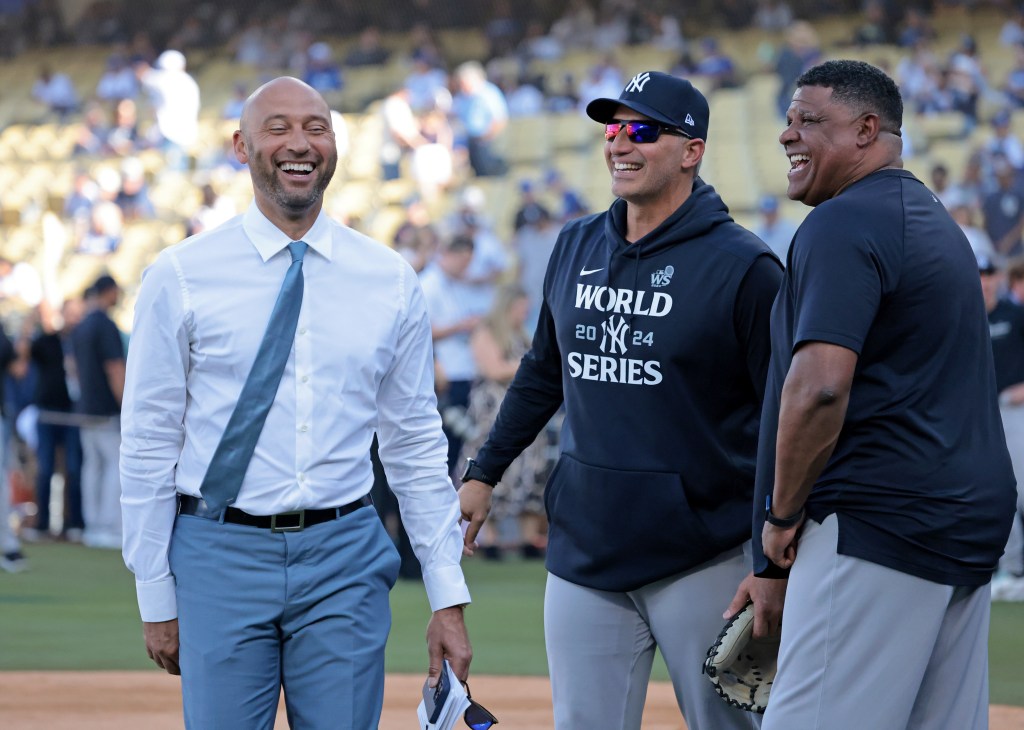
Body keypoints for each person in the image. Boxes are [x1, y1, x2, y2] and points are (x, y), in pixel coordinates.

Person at [120, 76, 471, 729]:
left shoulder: (389, 279)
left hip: (345, 554)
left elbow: (416, 446)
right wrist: (153, 590)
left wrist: (447, 593)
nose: (299, 143)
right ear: (241, 145)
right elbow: (148, 441)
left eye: (316, 126)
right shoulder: (180, 275)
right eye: (277, 127)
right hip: (217, 552)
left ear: (334, 143)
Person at [460, 71, 783, 730]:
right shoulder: (576, 244)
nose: (620, 145)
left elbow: (784, 420)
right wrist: (484, 471)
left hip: (704, 554)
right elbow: (542, 371)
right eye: (612, 129)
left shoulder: (746, 267)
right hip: (586, 549)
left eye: (642, 130)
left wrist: (769, 558)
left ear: (691, 150)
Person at [754, 60, 1016, 730]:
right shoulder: (935, 221)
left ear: (867, 129)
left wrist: (780, 521)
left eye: (808, 119)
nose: (788, 135)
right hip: (960, 523)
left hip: (880, 521)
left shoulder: (842, 224)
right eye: (788, 119)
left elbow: (818, 390)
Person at [456, 284, 553, 560]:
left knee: (532, 473)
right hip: (493, 412)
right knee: (493, 470)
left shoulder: (522, 334)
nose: (525, 313)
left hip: (526, 413)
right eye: (521, 307)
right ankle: (488, 538)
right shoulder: (486, 332)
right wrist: (533, 363)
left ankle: (528, 538)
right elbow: (495, 369)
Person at [979, 254, 1024, 601]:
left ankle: (1016, 569)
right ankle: (1008, 567)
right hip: (977, 413)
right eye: (979, 274)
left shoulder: (1015, 314)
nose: (985, 281)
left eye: (989, 273)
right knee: (993, 489)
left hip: (1013, 408)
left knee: (1020, 487)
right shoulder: (965, 316)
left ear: (999, 278)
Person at [72, 275, 125, 549]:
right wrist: (126, 404)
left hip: (85, 408)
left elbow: (73, 367)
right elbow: (115, 368)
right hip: (105, 409)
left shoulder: (81, 325)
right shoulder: (105, 325)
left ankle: (93, 523)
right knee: (113, 467)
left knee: (92, 466)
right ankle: (107, 524)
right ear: (109, 292)